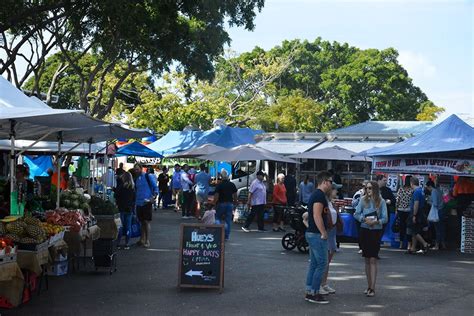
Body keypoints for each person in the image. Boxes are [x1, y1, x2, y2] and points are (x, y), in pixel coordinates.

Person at [354, 181, 388, 297]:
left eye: (370, 188)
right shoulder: (362, 200)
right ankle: (368, 286)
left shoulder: (381, 201)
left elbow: (385, 218)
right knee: (367, 259)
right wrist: (364, 219)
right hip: (365, 231)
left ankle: (372, 287)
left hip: (376, 231)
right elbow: (356, 214)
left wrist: (377, 221)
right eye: (366, 188)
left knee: (373, 259)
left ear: (375, 189)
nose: (368, 190)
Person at [304, 171, 333, 304]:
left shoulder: (318, 195)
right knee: (321, 263)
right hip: (316, 234)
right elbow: (316, 215)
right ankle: (314, 293)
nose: (331, 185)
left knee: (315, 264)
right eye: (331, 182)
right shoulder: (319, 195)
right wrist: (323, 232)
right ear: (325, 181)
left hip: (313, 233)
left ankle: (310, 291)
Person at [320, 183, 340, 295]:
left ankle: (323, 283)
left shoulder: (331, 203)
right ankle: (320, 284)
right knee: (324, 261)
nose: (336, 192)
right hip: (327, 231)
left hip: (332, 232)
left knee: (327, 261)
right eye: (335, 190)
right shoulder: (324, 202)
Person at [134, 164, 158, 248]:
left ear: (141, 169)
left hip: (147, 202)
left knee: (146, 221)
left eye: (137, 169)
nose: (136, 171)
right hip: (138, 202)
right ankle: (142, 239)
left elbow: (155, 187)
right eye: (135, 170)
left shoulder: (148, 176)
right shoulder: (136, 178)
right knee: (141, 222)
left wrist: (153, 197)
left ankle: (147, 240)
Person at [407, 177, 429, 254]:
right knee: (415, 230)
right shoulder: (421, 191)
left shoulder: (416, 192)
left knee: (414, 230)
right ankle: (413, 247)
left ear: (411, 183)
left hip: (416, 212)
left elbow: (416, 204)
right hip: (421, 212)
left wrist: (414, 215)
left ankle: (424, 243)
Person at [213, 169, 238, 241]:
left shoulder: (219, 185)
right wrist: (235, 202)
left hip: (221, 203)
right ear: (227, 176)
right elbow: (235, 195)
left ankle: (219, 233)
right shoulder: (232, 184)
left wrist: (214, 204)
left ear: (221, 176)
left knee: (217, 218)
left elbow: (216, 196)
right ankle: (226, 236)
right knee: (228, 220)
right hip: (230, 204)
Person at [115, 171, 135, 249]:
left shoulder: (121, 187)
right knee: (128, 226)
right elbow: (134, 199)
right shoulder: (132, 188)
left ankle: (118, 243)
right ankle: (127, 243)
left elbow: (116, 195)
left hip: (121, 208)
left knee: (120, 226)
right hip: (129, 209)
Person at [425, 180, 446, 250]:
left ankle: (436, 245)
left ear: (430, 186)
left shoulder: (433, 191)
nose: (427, 189)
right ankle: (443, 244)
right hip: (441, 210)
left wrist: (428, 202)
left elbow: (435, 204)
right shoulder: (439, 190)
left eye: (427, 187)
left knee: (437, 229)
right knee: (441, 228)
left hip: (437, 212)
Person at [396, 176, 413, 250]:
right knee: (409, 227)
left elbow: (397, 200)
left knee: (402, 227)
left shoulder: (401, 189)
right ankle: (409, 244)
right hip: (409, 210)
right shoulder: (412, 190)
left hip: (400, 210)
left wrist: (396, 209)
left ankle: (401, 243)